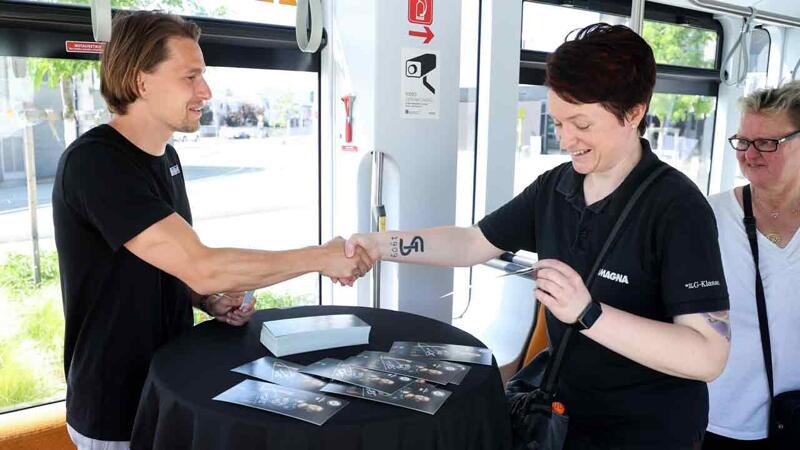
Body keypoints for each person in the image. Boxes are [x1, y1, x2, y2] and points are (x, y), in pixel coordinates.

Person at [346, 24, 730, 449]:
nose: (566, 139)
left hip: (646, 432)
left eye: (581, 123)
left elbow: (708, 356)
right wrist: (379, 246)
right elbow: (474, 242)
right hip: (561, 420)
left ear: (634, 113)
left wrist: (588, 313)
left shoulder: (678, 208)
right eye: (558, 122)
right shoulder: (555, 187)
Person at [52, 11, 371, 449]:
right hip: (115, 406)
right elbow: (202, 265)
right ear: (141, 82)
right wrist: (320, 257)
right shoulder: (97, 163)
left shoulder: (167, 159)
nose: (206, 91)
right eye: (191, 77)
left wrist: (207, 300)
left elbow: (168, 268)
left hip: (167, 386)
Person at [704, 82, 800, 449]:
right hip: (720, 417)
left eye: (767, 143)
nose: (750, 154)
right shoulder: (708, 216)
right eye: (742, 141)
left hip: (794, 418)